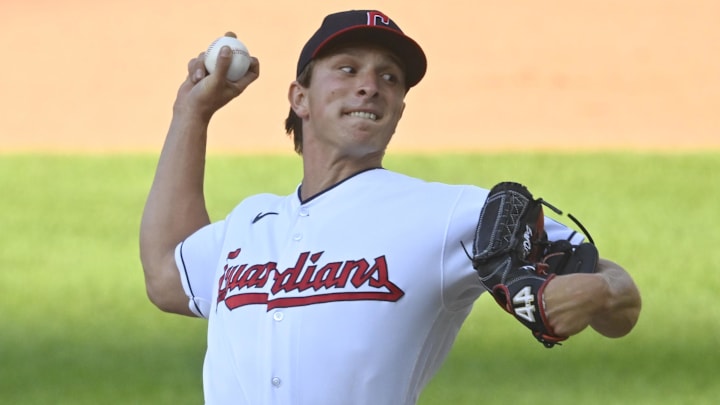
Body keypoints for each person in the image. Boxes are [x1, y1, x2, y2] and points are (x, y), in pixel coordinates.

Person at [139, 9, 641, 405]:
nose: (370, 85)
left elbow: (622, 298)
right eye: (348, 69)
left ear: (399, 107)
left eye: (390, 78)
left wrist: (596, 291)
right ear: (300, 97)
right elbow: (167, 275)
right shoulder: (251, 223)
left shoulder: (447, 214)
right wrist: (192, 111)